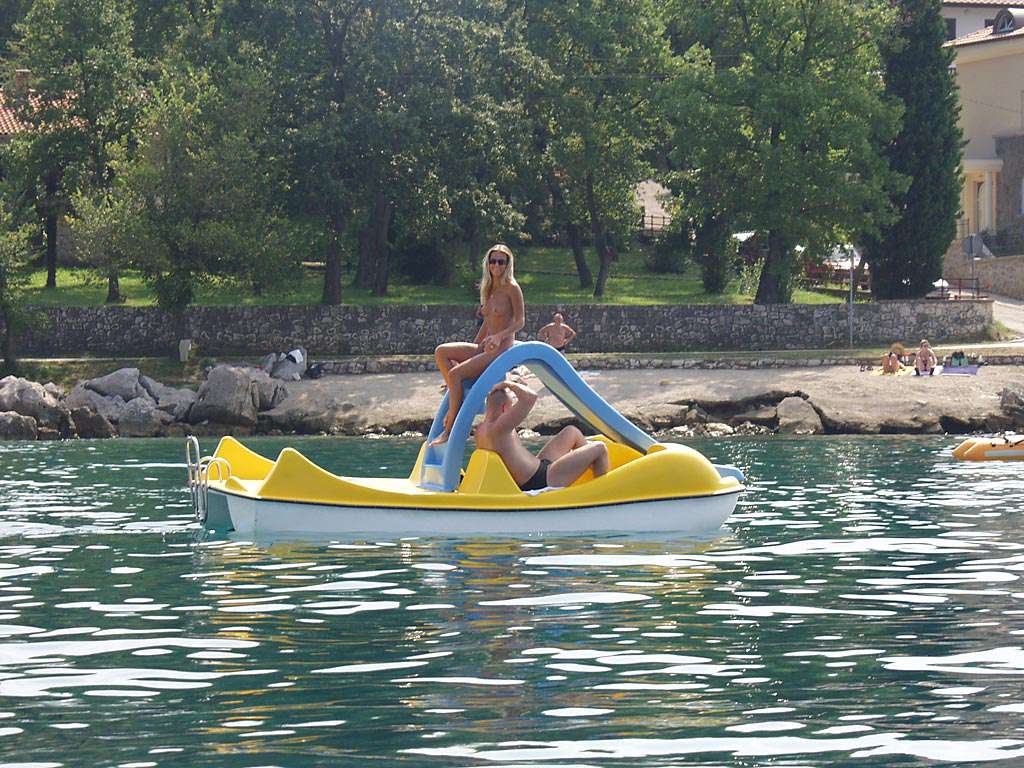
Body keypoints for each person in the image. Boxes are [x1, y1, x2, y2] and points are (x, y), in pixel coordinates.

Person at [431, 244, 525, 446]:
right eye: (493, 261)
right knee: (441, 352)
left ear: (508, 264)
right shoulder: (488, 287)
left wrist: (499, 336)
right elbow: (487, 321)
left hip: (501, 350)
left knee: (455, 374)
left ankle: (450, 427)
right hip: (486, 346)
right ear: (487, 263)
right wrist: (474, 349)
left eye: (501, 261)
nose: (496, 265)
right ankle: (456, 392)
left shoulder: (512, 288)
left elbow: (520, 321)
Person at [475, 379, 609, 491]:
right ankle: (601, 493)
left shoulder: (481, 429)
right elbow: (530, 397)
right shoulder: (500, 427)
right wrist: (508, 384)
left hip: (538, 468)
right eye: (512, 405)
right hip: (542, 480)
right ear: (504, 408)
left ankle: (589, 463)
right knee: (600, 448)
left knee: (571, 431)